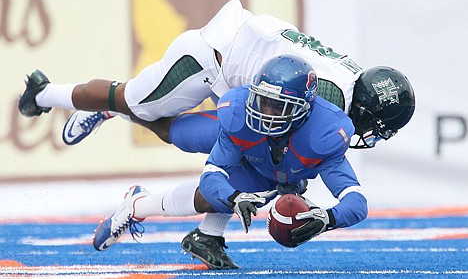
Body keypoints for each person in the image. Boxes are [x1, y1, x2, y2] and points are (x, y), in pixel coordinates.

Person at [18, 0, 415, 269]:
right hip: (217, 55)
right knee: (133, 101)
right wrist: (297, 192)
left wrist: (317, 210)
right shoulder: (327, 101)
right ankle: (45, 93)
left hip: (258, 91)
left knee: (268, 172)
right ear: (361, 108)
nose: (370, 134)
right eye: (375, 125)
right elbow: (263, 159)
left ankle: (206, 236)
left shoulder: (345, 93)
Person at [92, 55, 368, 269]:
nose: (267, 112)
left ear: (303, 109)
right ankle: (115, 108)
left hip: (269, 173)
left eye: (278, 106)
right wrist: (233, 197)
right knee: (172, 133)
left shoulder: (324, 135)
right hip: (245, 141)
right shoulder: (240, 116)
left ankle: (140, 205)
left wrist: (327, 219)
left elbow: (356, 202)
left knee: (212, 200)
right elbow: (212, 175)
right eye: (262, 101)